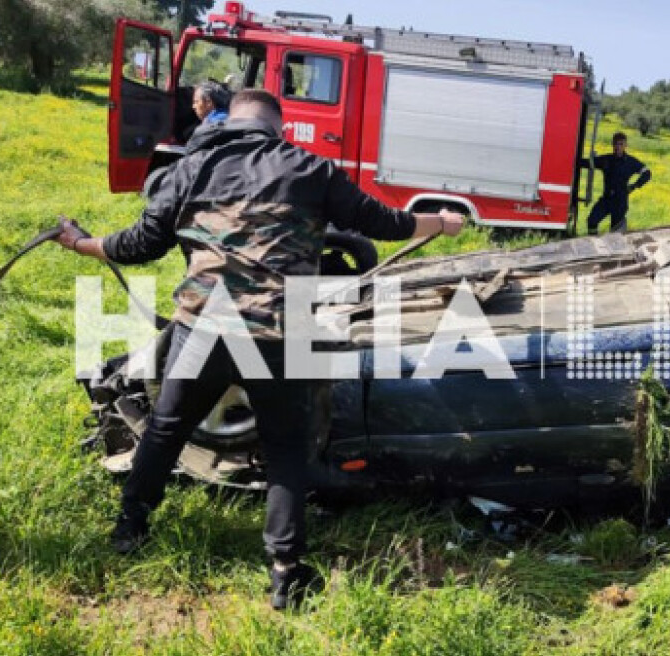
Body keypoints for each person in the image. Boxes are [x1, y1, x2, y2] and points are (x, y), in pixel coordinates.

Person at [53, 89, 465, 610]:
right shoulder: (311, 168)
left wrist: (80, 243)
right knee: (287, 449)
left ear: (230, 120)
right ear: (279, 126)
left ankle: (129, 529)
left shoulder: (193, 166)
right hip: (280, 332)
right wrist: (440, 222)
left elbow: (140, 243)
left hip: (203, 326)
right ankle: (285, 572)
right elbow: (382, 223)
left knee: (165, 427)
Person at [584, 132, 651, 234]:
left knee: (616, 232)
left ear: (625, 145)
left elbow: (647, 173)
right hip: (606, 200)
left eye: (620, 144)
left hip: (620, 202)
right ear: (612, 145)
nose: (617, 147)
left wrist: (634, 186)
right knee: (592, 220)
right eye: (615, 144)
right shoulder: (606, 160)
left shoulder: (631, 162)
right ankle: (593, 241)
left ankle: (615, 247)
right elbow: (587, 163)